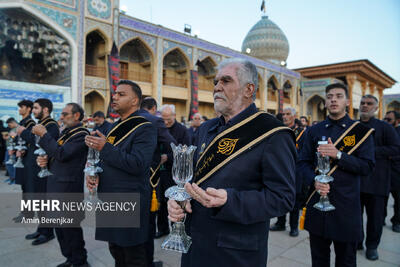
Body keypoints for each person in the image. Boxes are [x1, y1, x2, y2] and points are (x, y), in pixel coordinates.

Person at [168, 58, 296, 266]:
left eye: (226, 81)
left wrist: (230, 200)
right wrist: (178, 200)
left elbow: (283, 197)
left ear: (248, 89)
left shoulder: (272, 133)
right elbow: (191, 179)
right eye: (216, 82)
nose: (217, 87)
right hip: (194, 244)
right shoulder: (205, 129)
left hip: (235, 252)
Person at [298, 83, 375, 266]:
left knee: (346, 261)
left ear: (347, 101)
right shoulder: (314, 131)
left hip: (346, 207)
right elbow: (302, 163)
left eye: (339, 96)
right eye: (330, 96)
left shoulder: (360, 132)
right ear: (325, 101)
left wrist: (339, 155)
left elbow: (367, 166)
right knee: (318, 260)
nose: (333, 99)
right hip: (318, 203)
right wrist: (314, 179)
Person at [85, 80, 157, 267]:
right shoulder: (115, 126)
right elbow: (110, 159)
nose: (114, 97)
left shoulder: (145, 126)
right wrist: (95, 173)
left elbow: (138, 164)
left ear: (135, 101)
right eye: (115, 93)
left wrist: (105, 148)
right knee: (116, 250)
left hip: (129, 198)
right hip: (110, 196)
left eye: (121, 94)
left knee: (132, 254)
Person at [35, 103, 89, 267]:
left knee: (70, 230)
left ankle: (80, 262)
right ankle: (69, 258)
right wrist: (45, 161)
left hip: (68, 189)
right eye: (62, 114)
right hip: (56, 185)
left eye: (65, 114)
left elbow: (62, 153)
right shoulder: (66, 133)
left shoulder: (81, 134)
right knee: (60, 229)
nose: (61, 117)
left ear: (76, 116)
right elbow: (56, 155)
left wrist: (44, 135)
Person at [358, 95, 400, 260]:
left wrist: (370, 152)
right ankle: (356, 242)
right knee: (354, 216)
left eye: (369, 104)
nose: (365, 106)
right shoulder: (353, 126)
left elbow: (396, 148)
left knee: (375, 219)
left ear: (376, 108)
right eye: (362, 103)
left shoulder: (384, 128)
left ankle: (372, 246)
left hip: (377, 182)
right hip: (356, 181)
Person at [139, 96, 176, 267]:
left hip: (120, 183)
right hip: (145, 181)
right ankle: (145, 263)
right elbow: (173, 146)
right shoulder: (154, 121)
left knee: (123, 233)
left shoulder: (119, 122)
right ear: (154, 108)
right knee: (145, 227)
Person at [18, 98, 59, 245]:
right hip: (36, 168)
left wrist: (23, 132)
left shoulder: (52, 125)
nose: (33, 111)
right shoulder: (41, 124)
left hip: (44, 169)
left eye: (36, 108)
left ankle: (47, 232)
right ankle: (41, 229)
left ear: (45, 110)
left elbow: (43, 142)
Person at [270, 107, 305, 237]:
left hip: (295, 170)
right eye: (283, 114)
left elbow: (304, 152)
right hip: (279, 169)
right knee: (279, 195)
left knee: (294, 200)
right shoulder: (278, 130)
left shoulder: (302, 132)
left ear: (294, 116)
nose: (284, 116)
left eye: (288, 114)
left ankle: (294, 226)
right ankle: (280, 222)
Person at [157, 104, 191, 238]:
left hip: (175, 174)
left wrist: (168, 157)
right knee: (160, 202)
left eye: (168, 119)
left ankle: (175, 230)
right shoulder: (159, 128)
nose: (166, 122)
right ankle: (162, 228)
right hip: (160, 172)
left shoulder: (182, 130)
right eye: (163, 119)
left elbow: (186, 151)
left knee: (175, 202)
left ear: (174, 116)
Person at [13, 100, 36, 222]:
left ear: (28, 109)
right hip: (21, 159)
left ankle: (28, 214)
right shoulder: (22, 122)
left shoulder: (30, 123)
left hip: (28, 160)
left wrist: (23, 149)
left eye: (21, 107)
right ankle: (25, 212)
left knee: (28, 188)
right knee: (24, 187)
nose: (19, 109)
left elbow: (32, 140)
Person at [383, 110, 400, 233]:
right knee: (380, 199)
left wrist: (390, 156)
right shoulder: (382, 130)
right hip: (382, 172)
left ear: (397, 121)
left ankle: (396, 221)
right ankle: (381, 218)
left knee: (398, 199)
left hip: (397, 172)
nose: (386, 122)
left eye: (389, 120)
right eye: (385, 119)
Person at [5, 117, 18, 184]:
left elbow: (17, 138)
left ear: (13, 122)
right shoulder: (13, 129)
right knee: (8, 164)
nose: (8, 126)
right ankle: (11, 177)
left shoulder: (18, 129)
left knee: (12, 164)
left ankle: (14, 179)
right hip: (9, 148)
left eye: (9, 125)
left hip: (12, 150)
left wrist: (11, 136)